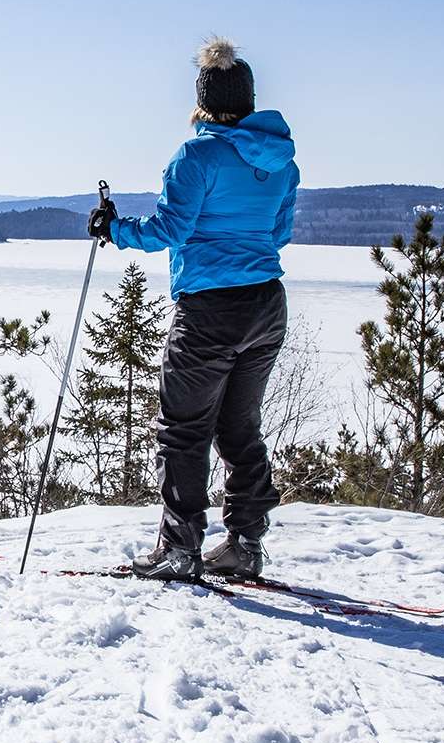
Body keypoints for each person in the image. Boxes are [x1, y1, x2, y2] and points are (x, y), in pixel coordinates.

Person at [88, 36, 299, 581]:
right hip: (265, 303)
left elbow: (170, 230)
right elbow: (280, 231)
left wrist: (113, 229)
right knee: (239, 425)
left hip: (209, 306)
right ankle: (245, 544)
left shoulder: (197, 155)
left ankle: (180, 547)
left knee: (184, 430)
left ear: (203, 100)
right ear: (249, 100)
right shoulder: (281, 161)